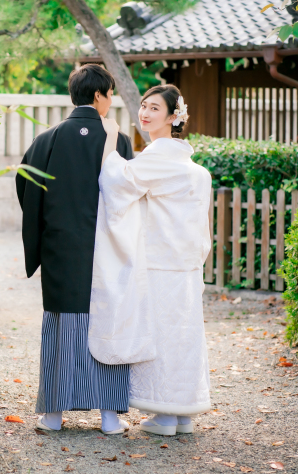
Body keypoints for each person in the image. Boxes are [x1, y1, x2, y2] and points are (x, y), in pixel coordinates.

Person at [15, 64, 135, 435]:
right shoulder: (117, 140)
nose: (111, 100)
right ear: (99, 96)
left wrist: (47, 228)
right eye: (110, 94)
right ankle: (110, 415)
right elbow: (128, 192)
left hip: (61, 248)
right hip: (106, 248)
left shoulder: (47, 139)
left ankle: (53, 413)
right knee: (108, 321)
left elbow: (26, 188)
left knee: (62, 325)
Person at [89, 84, 212, 436]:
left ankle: (166, 414)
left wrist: (110, 140)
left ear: (174, 117)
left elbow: (118, 181)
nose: (144, 112)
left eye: (155, 108)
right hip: (187, 264)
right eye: (143, 106)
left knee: (159, 336)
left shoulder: (158, 159)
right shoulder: (194, 169)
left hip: (160, 263)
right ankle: (183, 414)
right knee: (184, 336)